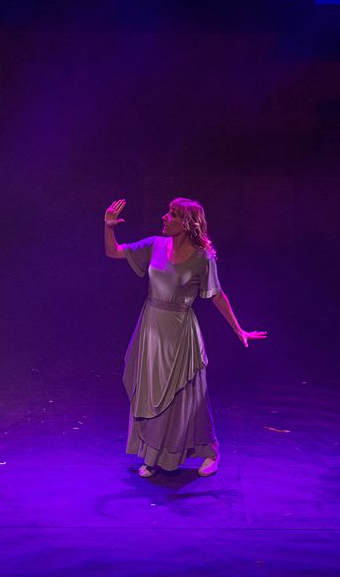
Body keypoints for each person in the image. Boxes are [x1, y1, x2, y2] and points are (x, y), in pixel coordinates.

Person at [104, 197, 266, 478]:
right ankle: (153, 454)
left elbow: (217, 295)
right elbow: (114, 252)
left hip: (180, 331)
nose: (164, 217)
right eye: (168, 212)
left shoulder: (203, 257)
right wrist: (108, 227)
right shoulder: (155, 245)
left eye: (172, 214)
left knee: (186, 398)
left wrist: (239, 329)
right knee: (151, 391)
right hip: (151, 326)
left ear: (188, 223)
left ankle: (210, 451)